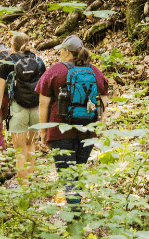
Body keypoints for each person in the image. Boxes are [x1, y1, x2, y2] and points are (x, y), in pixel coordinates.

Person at [35, 35, 109, 208]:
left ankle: (74, 214)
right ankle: (76, 209)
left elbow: (43, 104)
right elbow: (104, 101)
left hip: (60, 131)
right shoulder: (94, 71)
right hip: (88, 129)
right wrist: (101, 126)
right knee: (79, 171)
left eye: (61, 50)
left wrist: (43, 133)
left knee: (67, 175)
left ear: (67, 51)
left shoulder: (55, 71)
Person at [0, 32, 45, 183]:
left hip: (17, 110)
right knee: (31, 146)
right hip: (36, 110)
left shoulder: (9, 61)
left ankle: (24, 189)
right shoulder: (38, 60)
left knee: (20, 152)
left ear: (13, 46)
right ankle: (29, 181)